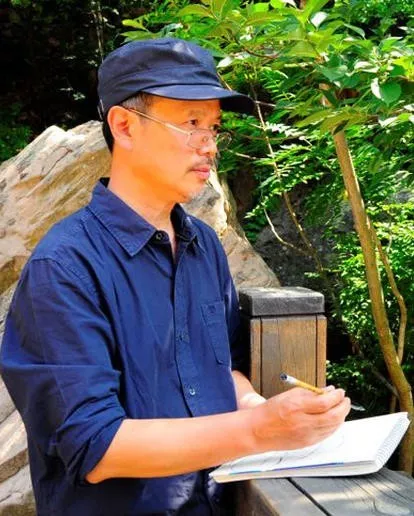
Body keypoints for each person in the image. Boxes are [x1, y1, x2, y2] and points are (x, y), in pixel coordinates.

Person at [0, 38, 350, 515]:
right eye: (191, 123)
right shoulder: (64, 267)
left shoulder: (203, 245)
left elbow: (223, 368)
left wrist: (257, 408)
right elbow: (97, 446)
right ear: (124, 126)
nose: (210, 145)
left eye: (214, 127)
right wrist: (259, 429)